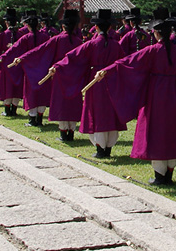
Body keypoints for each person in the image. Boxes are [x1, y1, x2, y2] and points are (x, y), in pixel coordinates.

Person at [93, 8, 176, 184]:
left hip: (156, 94)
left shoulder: (152, 50)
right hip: (175, 94)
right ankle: (169, 172)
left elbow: (128, 62)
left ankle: (160, 175)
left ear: (155, 32)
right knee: (171, 130)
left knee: (157, 131)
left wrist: (106, 71)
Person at [51, 9, 127, 158]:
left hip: (96, 83)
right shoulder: (116, 45)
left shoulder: (91, 44)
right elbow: (123, 62)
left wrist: (57, 66)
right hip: (112, 81)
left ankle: (100, 148)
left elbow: (72, 57)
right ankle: (108, 147)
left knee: (97, 112)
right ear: (110, 27)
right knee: (110, 113)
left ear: (96, 27)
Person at [18, 10, 85, 140]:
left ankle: (63, 132)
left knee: (61, 102)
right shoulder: (79, 42)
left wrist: (22, 57)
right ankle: (71, 131)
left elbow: (40, 50)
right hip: (75, 76)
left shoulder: (58, 39)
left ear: (63, 26)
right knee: (73, 103)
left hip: (60, 75)